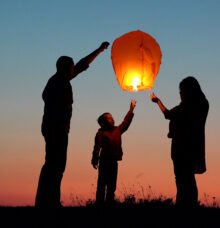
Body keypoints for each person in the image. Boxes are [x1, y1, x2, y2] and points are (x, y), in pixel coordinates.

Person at [35, 42, 109, 208]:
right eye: (71, 66)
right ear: (64, 68)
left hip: (59, 130)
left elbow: (82, 65)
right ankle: (48, 201)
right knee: (54, 165)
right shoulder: (56, 84)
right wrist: (55, 131)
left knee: (55, 165)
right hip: (55, 130)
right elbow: (52, 109)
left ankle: (48, 201)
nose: (73, 69)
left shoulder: (61, 79)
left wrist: (99, 49)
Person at [149, 76, 209, 207]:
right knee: (188, 180)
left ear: (188, 91)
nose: (180, 94)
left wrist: (158, 101)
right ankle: (188, 207)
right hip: (193, 147)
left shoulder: (187, 107)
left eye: (181, 91)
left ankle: (184, 208)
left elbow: (168, 114)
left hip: (182, 149)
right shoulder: (202, 104)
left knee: (183, 180)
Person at [92, 100, 136, 206]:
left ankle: (109, 205)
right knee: (102, 185)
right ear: (102, 123)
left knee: (112, 186)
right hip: (104, 162)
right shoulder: (100, 133)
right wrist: (95, 159)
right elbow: (96, 148)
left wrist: (131, 109)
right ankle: (99, 205)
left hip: (113, 162)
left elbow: (126, 122)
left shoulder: (117, 130)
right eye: (109, 118)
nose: (112, 119)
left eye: (112, 117)